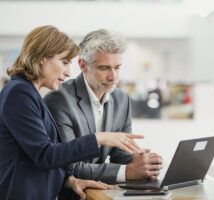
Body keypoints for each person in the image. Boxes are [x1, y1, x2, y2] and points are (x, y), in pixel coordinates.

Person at [0, 25, 144, 200]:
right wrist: (99, 138)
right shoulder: (20, 93)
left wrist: (68, 181)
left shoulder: (28, 92)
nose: (68, 72)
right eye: (65, 62)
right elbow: (46, 155)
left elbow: (35, 158)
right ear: (42, 59)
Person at [44, 29, 163, 187]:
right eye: (104, 68)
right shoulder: (59, 99)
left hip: (103, 191)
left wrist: (141, 162)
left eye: (117, 67)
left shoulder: (122, 100)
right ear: (83, 65)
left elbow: (120, 156)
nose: (113, 77)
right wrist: (127, 172)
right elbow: (69, 166)